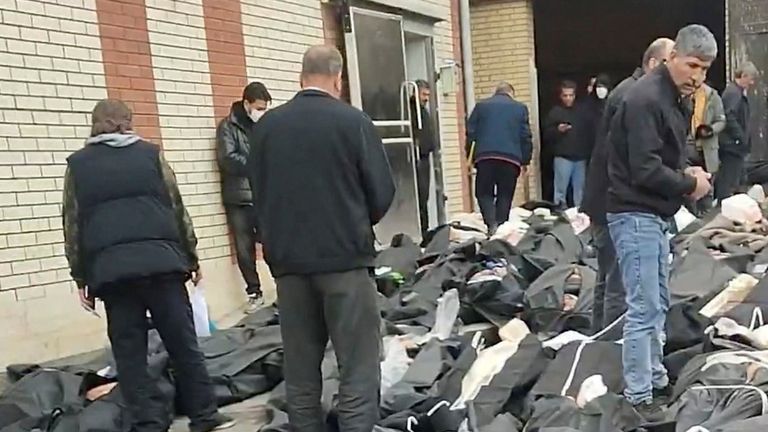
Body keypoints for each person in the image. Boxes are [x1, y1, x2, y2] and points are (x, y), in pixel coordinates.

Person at [63, 100, 234, 432]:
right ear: (128, 122)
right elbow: (176, 206)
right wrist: (191, 257)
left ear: (94, 125)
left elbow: (73, 223)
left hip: (113, 275)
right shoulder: (150, 155)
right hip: (162, 267)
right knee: (182, 344)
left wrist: (80, 276)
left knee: (130, 355)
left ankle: (148, 423)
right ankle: (205, 417)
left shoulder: (78, 165)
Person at [249, 45, 395, 432]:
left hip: (291, 267)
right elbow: (381, 191)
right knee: (358, 367)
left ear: (300, 78)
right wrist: (356, 223)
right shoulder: (353, 123)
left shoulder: (266, 128)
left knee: (300, 371)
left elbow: (257, 193)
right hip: (345, 261)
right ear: (338, 78)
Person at [606, 25, 716, 419]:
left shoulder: (673, 97)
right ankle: (640, 397)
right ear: (672, 57)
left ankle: (653, 379)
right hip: (634, 213)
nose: (698, 76)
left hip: (652, 213)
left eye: (704, 68)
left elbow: (664, 156)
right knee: (644, 306)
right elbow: (645, 168)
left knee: (657, 302)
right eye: (692, 65)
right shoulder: (644, 99)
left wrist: (689, 173)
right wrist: (690, 183)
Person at [583, 38, 674, 334]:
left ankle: (598, 339)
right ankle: (611, 347)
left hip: (602, 197)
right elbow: (630, 160)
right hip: (615, 200)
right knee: (619, 282)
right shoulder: (634, 97)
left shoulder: (628, 92)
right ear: (652, 63)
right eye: (667, 63)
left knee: (607, 275)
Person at [216, 82, 272, 313]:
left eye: (265, 108)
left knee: (272, 241)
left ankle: (285, 285)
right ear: (247, 103)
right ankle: (254, 292)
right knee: (244, 248)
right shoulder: (228, 127)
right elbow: (228, 158)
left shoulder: (266, 126)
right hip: (239, 197)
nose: (262, 112)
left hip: (263, 194)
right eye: (259, 107)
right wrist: (256, 166)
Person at [466, 82, 533, 234]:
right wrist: (525, 160)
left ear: (495, 92)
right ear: (511, 93)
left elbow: (471, 133)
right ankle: (501, 226)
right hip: (511, 159)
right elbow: (525, 136)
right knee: (505, 193)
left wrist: (470, 156)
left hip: (485, 157)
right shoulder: (520, 108)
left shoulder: (481, 106)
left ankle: (491, 224)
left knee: (483, 192)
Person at [715, 61, 759, 201]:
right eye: (751, 78)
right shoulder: (733, 93)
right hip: (731, 145)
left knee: (737, 178)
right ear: (744, 75)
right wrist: (740, 136)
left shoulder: (736, 92)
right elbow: (729, 115)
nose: (752, 83)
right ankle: (724, 207)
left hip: (734, 145)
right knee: (729, 180)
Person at [544, 80, 590, 208]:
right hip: (562, 157)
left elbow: (588, 132)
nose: (568, 98)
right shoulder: (555, 112)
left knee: (580, 193)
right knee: (560, 193)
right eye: (565, 95)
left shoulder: (582, 111)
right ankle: (560, 217)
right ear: (561, 96)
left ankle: (580, 219)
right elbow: (546, 135)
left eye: (571, 95)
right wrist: (557, 130)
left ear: (575, 95)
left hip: (580, 158)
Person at [687, 82, 726, 215]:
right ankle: (691, 218)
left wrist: (710, 130)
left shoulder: (712, 96)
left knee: (708, 186)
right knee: (688, 185)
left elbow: (721, 120)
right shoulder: (684, 93)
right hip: (687, 146)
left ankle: (706, 216)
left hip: (707, 148)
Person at [410, 79, 437, 236]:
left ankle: (424, 229)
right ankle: (421, 230)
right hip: (416, 157)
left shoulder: (422, 111)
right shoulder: (413, 111)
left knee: (424, 195)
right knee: (420, 194)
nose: (426, 98)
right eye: (423, 94)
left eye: (428, 95)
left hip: (424, 156)